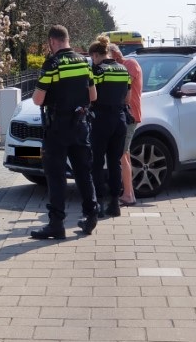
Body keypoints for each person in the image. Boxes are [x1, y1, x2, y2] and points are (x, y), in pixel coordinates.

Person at [31, 25, 99, 239]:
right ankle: (91, 216)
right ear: (67, 39)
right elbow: (93, 96)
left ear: (52, 42)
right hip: (80, 126)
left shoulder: (52, 64)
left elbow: (37, 100)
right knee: (83, 173)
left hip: (57, 128)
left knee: (56, 176)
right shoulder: (84, 62)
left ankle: (56, 224)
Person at [88, 36, 131, 218]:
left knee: (97, 162)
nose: (92, 61)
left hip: (101, 120)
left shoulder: (98, 71)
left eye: (92, 58)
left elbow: (92, 96)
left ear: (97, 55)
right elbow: (128, 98)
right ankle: (115, 203)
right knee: (115, 162)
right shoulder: (123, 70)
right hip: (120, 119)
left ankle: (98, 203)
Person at [111, 43, 142, 206]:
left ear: (115, 54)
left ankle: (129, 195)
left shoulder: (130, 64)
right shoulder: (122, 66)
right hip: (126, 115)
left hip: (130, 115)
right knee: (125, 153)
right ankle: (128, 193)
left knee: (122, 154)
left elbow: (125, 91)